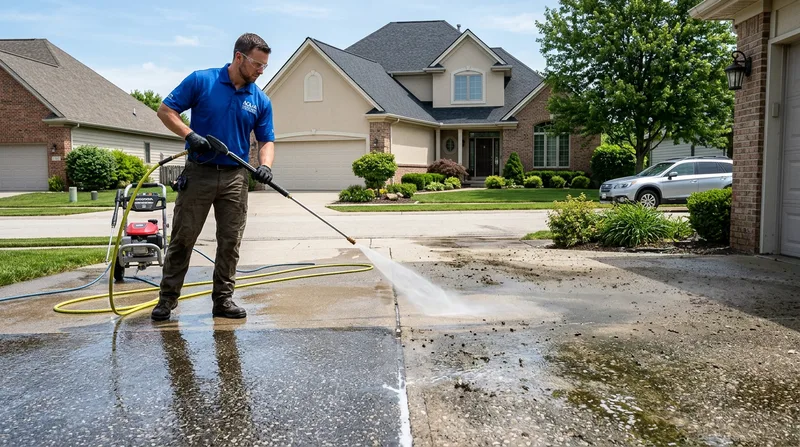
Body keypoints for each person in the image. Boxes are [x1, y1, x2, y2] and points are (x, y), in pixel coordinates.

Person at [152, 33, 276, 321]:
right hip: (199, 173)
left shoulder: (260, 99)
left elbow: (266, 139)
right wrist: (189, 135)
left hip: (235, 177)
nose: (261, 71)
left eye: (264, 67)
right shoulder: (202, 80)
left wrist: (265, 165)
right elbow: (165, 110)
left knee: (230, 241)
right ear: (239, 57)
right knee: (184, 238)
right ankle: (167, 300)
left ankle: (223, 300)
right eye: (257, 65)